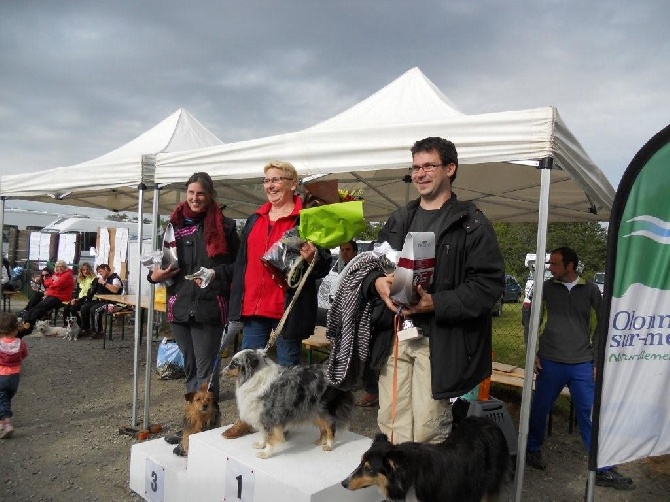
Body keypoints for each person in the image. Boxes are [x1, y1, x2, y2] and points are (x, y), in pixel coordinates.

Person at [363, 136, 504, 444]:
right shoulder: (399, 219)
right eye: (415, 167)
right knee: (391, 423)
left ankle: (427, 489)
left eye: (429, 166)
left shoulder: (472, 223)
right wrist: (378, 283)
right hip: (396, 336)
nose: (420, 174)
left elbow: (488, 286)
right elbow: (372, 265)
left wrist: (435, 302)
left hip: (439, 341)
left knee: (428, 429)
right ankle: (396, 491)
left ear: (450, 168)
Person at [223, 160, 331, 439]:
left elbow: (324, 261)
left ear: (293, 184)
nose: (270, 185)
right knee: (248, 365)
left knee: (287, 368)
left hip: (287, 306)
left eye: (277, 179)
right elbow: (242, 261)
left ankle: (285, 420)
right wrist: (236, 299)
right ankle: (247, 417)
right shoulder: (255, 218)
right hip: (254, 305)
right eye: (267, 180)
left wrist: (313, 258)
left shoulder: (304, 217)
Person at [526, 246, 633, 490]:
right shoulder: (546, 288)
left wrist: (596, 358)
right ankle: (531, 449)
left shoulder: (591, 289)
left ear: (570, 266)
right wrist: (531, 352)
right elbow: (530, 319)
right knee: (539, 408)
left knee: (590, 412)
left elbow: (606, 322)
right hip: (550, 360)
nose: (550, 268)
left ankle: (602, 468)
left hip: (581, 363)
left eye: (554, 264)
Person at [149, 172, 240, 446]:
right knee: (189, 372)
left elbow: (239, 267)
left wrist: (215, 273)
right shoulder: (173, 226)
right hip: (179, 307)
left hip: (210, 307)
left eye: (200, 193)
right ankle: (190, 430)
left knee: (206, 375)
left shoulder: (225, 226)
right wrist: (156, 274)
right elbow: (161, 263)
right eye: (191, 193)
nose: (195, 198)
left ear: (209, 194)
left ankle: (208, 434)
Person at [18, 260, 75, 336]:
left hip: (60, 297)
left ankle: (28, 322)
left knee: (42, 306)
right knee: (38, 302)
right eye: (57, 266)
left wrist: (53, 283)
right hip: (52, 294)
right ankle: (26, 317)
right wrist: (53, 282)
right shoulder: (56, 275)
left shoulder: (67, 275)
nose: (59, 268)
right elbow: (46, 282)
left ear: (65, 267)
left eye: (61, 266)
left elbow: (58, 284)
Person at [0, 313, 29, 439]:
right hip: (15, 377)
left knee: (2, 399)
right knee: (6, 398)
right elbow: (24, 355)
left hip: (1, 375)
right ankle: (1, 422)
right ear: (16, 329)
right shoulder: (20, 343)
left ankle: (7, 423)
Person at [79, 264, 124, 339]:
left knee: (95, 310)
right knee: (84, 307)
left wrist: (104, 283)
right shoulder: (104, 278)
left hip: (112, 302)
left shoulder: (115, 278)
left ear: (106, 269)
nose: (100, 273)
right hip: (103, 300)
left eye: (100, 271)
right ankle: (86, 329)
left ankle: (99, 331)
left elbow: (115, 290)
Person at [64, 262, 95, 328]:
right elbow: (77, 291)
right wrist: (74, 298)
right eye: (83, 270)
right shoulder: (80, 279)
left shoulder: (94, 279)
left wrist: (78, 299)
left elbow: (92, 292)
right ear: (81, 271)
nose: (85, 271)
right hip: (80, 299)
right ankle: (68, 325)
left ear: (90, 270)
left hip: (88, 299)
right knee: (67, 307)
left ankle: (83, 327)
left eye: (87, 269)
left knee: (74, 308)